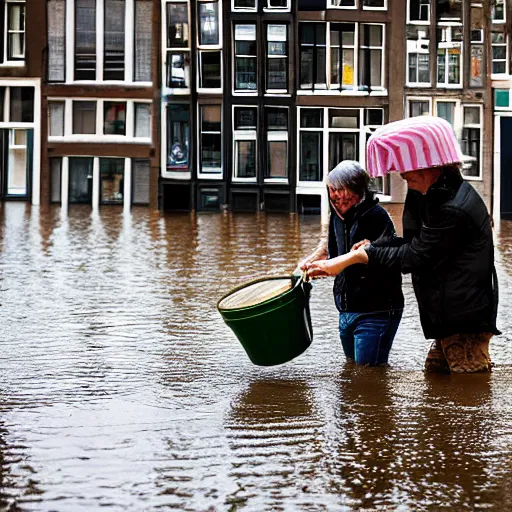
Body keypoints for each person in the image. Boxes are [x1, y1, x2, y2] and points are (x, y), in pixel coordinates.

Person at [306, 116, 500, 374]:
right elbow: (412, 243)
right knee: (440, 384)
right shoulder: (429, 195)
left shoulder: (453, 209)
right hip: (449, 314)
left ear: (431, 164)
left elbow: (415, 256)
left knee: (469, 388)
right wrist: (374, 247)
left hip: (464, 318)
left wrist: (360, 256)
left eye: (409, 168)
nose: (402, 173)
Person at [298, 161, 404, 366]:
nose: (339, 201)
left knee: (368, 375)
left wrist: (371, 248)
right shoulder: (336, 217)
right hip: (346, 309)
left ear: (360, 192)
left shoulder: (377, 217)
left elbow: (391, 256)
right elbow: (333, 255)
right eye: (334, 196)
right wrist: (310, 266)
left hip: (376, 311)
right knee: (352, 370)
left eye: (345, 195)